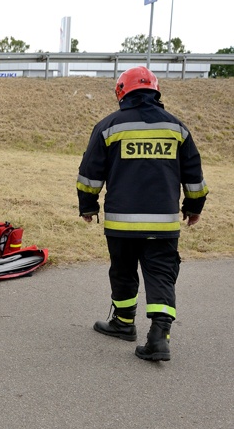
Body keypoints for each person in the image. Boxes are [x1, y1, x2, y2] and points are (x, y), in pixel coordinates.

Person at [79, 66, 207, 362]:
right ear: (155, 91)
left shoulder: (109, 126)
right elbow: (194, 177)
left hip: (121, 222)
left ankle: (123, 323)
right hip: (163, 223)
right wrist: (193, 208)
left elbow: (90, 173)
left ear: (121, 92)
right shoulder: (177, 128)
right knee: (161, 274)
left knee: (123, 270)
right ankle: (159, 338)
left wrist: (88, 206)